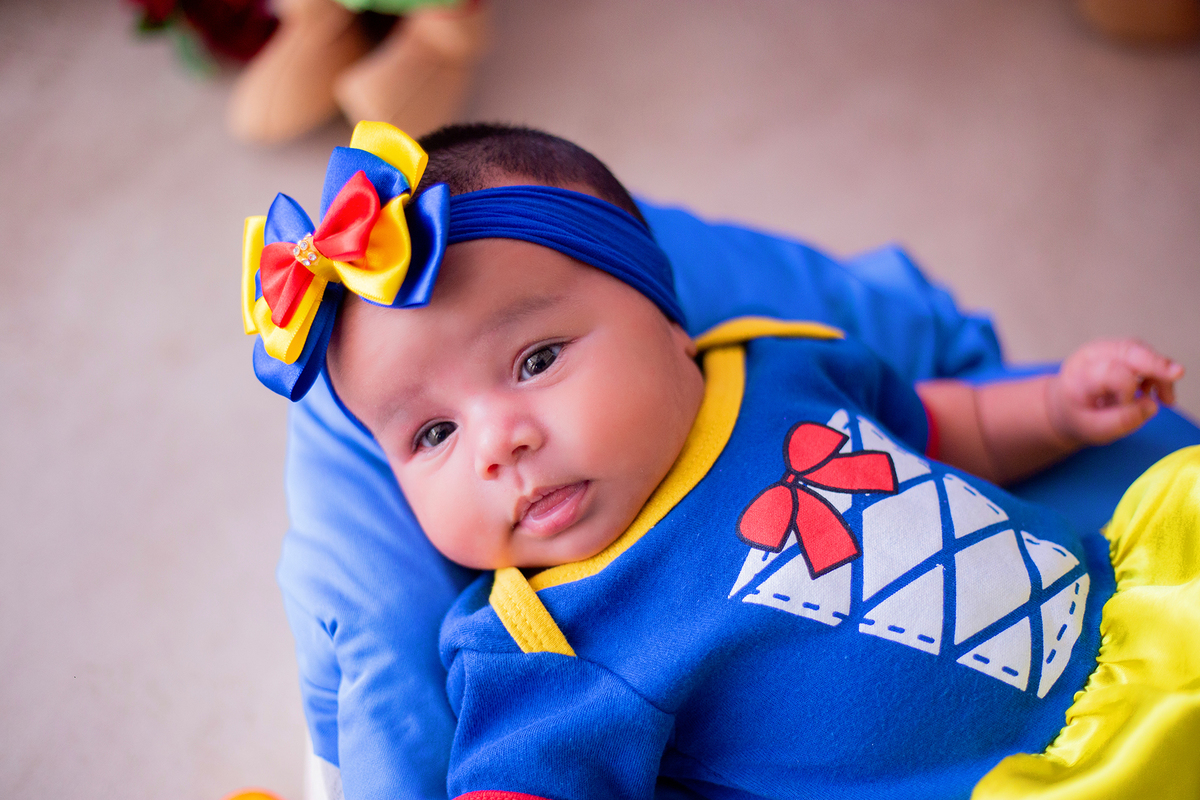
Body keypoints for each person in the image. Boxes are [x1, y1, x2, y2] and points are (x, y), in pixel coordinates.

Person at [242, 121, 1199, 799]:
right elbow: (523, 779)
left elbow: (946, 430)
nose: (500, 443)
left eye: (536, 361)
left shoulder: (770, 362)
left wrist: (1059, 408)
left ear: (666, 322)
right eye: (432, 436)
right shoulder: (539, 640)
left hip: (1133, 627)